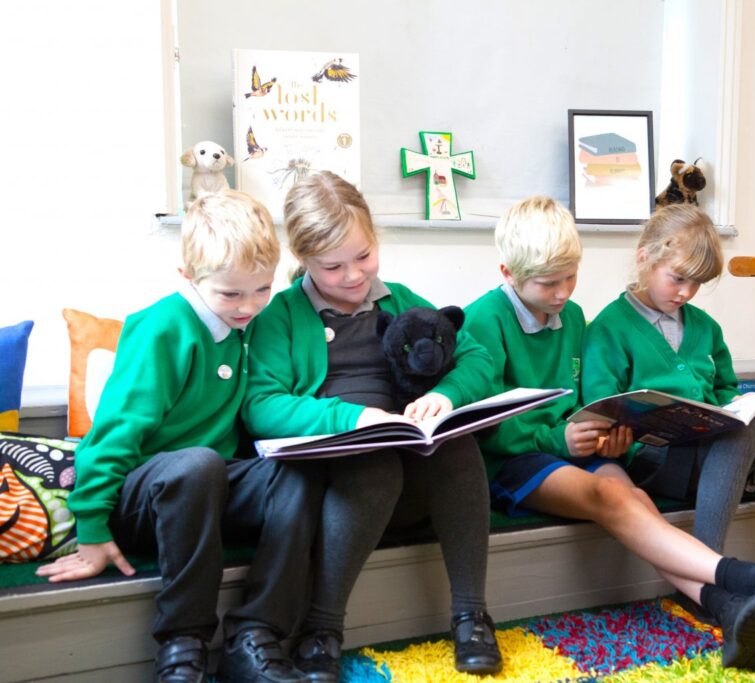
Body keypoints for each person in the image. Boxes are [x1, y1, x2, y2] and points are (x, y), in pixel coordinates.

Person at [463, 196, 755, 671]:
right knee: (611, 497)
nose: (562, 293)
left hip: (570, 446)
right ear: (508, 272)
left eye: (570, 278)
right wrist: (561, 440)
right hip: (516, 459)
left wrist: (602, 437)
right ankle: (753, 578)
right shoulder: (484, 319)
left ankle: (726, 606)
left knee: (635, 500)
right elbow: (487, 423)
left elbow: (581, 405)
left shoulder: (571, 316)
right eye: (549, 283)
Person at [38, 190, 323, 683]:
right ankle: (182, 647)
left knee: (299, 472)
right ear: (188, 276)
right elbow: (113, 435)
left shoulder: (250, 324)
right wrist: (93, 529)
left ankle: (256, 635)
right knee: (197, 464)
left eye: (262, 289)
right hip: (141, 495)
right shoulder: (162, 329)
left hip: (209, 489)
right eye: (231, 294)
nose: (249, 306)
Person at [242, 171, 502, 680]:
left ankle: (471, 614)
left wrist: (445, 395)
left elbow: (477, 357)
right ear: (302, 257)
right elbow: (261, 404)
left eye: (363, 256)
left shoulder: (400, 300)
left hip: (413, 478)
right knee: (373, 466)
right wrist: (353, 418)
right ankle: (322, 627)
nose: (353, 275)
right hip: (343, 487)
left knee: (458, 446)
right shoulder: (282, 316)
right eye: (332, 266)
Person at [581, 203, 755, 614]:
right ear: (644, 258)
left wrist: (735, 405)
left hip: (710, 450)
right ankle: (703, 571)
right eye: (678, 279)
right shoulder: (609, 327)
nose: (686, 292)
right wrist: (617, 436)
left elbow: (725, 387)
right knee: (743, 431)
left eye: (697, 283)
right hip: (651, 461)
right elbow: (601, 406)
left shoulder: (704, 327)